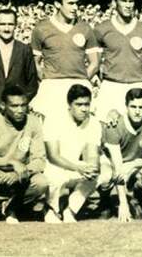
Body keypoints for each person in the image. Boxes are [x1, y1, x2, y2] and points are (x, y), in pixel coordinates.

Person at [0, 85, 49, 226]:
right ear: (2, 106)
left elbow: (40, 160)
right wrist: (9, 162)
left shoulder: (34, 123)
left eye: (23, 105)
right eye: (14, 106)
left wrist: (22, 172)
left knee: (42, 182)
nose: (20, 110)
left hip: (20, 176)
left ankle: (10, 208)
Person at [30, 0, 100, 120]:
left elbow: (95, 62)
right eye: (70, 3)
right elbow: (35, 63)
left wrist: (81, 79)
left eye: (76, 3)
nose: (75, 8)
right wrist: (48, 78)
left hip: (79, 84)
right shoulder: (41, 29)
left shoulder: (85, 28)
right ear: (57, 4)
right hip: (52, 85)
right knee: (50, 130)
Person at [100, 88, 142, 221]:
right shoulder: (114, 125)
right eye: (133, 106)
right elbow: (118, 168)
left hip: (133, 162)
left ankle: (135, 199)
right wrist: (123, 205)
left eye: (141, 107)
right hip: (111, 162)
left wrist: (132, 164)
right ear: (126, 106)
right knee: (105, 177)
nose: (137, 111)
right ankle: (105, 202)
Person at [94, 0, 142, 117]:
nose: (128, 5)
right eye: (124, 1)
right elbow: (96, 62)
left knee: (136, 131)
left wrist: (135, 81)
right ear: (114, 3)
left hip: (136, 87)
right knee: (106, 128)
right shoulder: (101, 29)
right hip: (110, 86)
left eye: (131, 1)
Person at [43, 83, 102, 223]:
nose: (84, 109)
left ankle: (70, 210)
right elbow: (53, 156)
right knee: (54, 176)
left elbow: (93, 154)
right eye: (79, 104)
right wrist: (79, 168)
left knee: (102, 173)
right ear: (69, 104)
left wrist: (92, 168)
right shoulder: (53, 119)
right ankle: (51, 209)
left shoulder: (94, 123)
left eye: (87, 104)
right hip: (54, 165)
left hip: (76, 166)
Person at [0, 8, 39, 120]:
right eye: (2, 24)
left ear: (16, 25)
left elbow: (32, 83)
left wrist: (19, 104)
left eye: (10, 24)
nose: (6, 28)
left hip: (17, 112)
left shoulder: (24, 50)